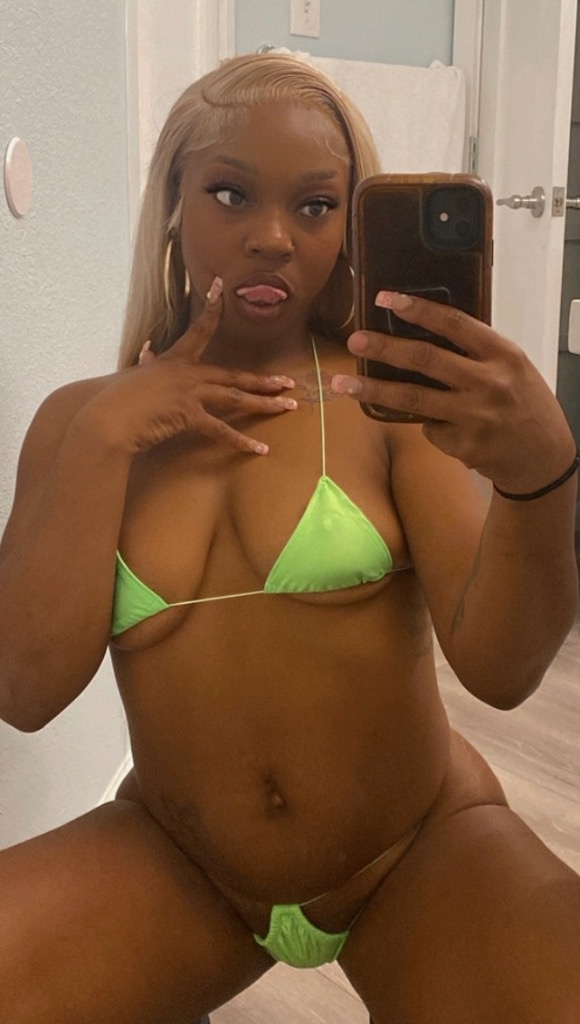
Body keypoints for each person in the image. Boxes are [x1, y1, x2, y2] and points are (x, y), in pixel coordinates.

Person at [0, 51, 579, 1024]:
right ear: (174, 203)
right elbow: (24, 692)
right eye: (230, 193)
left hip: (414, 852)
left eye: (314, 205)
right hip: (181, 862)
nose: (272, 237)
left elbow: (501, 668)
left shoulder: (388, 406)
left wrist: (542, 480)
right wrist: (105, 434)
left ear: (348, 224)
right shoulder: (78, 421)